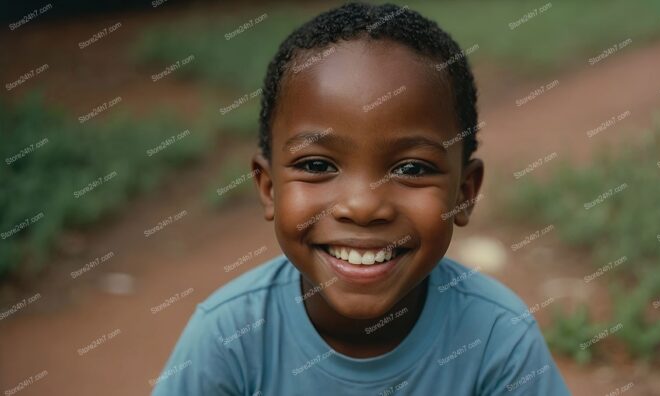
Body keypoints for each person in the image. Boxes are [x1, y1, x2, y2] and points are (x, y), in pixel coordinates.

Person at [153, 3, 571, 395]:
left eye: (411, 169)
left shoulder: (498, 339)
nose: (363, 207)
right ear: (269, 188)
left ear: (464, 193)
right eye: (317, 166)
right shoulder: (229, 338)